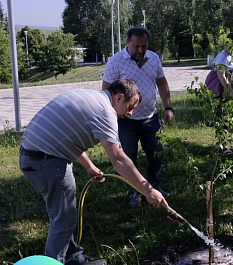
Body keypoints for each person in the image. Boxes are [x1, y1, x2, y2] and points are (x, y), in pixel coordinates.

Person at [19, 79, 169, 265]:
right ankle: (52, 262)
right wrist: (148, 190)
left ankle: (75, 260)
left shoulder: (91, 97)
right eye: (130, 107)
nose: (130, 113)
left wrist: (89, 165)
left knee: (65, 213)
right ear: (119, 97)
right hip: (45, 161)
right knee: (63, 218)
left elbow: (67, 136)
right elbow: (119, 159)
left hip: (37, 155)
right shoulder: (105, 111)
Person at [102, 27, 174, 207]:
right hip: (126, 121)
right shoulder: (116, 61)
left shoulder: (154, 58)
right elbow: (106, 91)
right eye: (136, 46)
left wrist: (168, 107)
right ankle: (134, 192)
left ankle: (154, 187)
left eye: (144, 46)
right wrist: (112, 116)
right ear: (128, 42)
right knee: (128, 157)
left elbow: (162, 84)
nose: (140, 50)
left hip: (151, 117)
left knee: (157, 154)